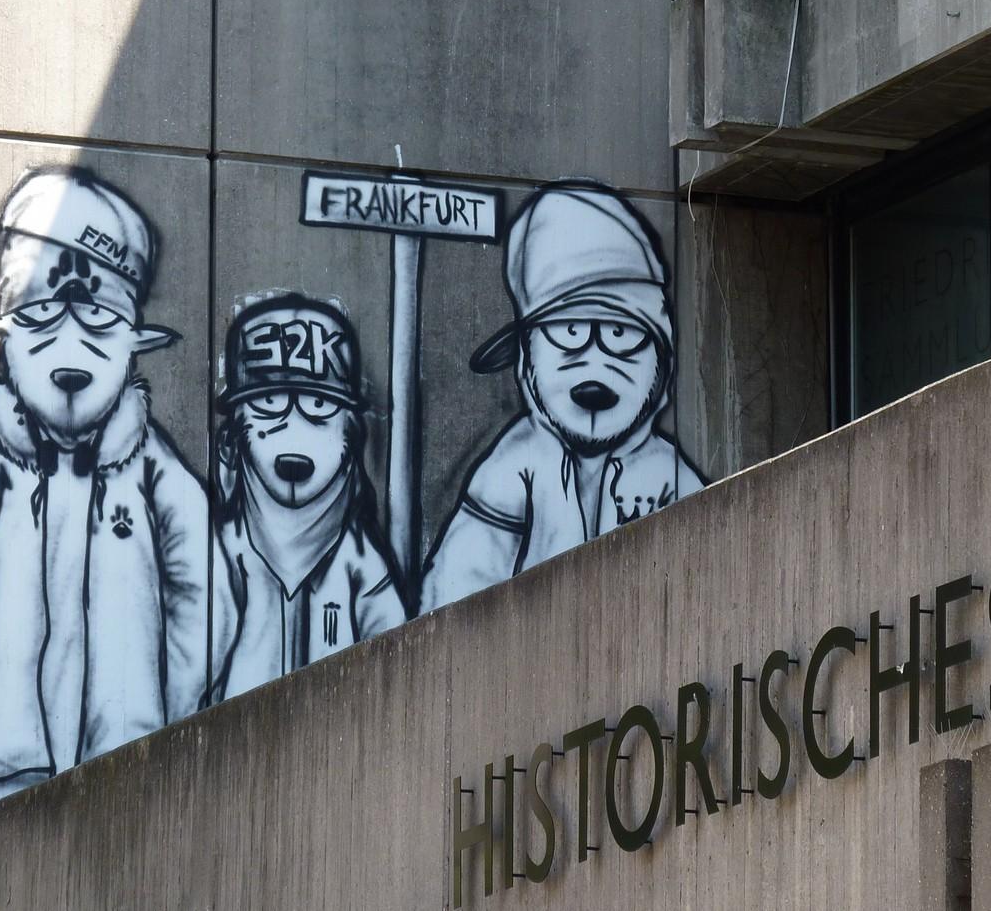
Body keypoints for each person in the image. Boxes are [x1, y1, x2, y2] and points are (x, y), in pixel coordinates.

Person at [0, 167, 231, 815]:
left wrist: (164, 715)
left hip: (129, 777)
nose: (68, 342)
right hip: (2, 781)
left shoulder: (153, 471)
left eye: (98, 319)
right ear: (8, 336)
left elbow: (207, 596)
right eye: (40, 316)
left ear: (132, 342)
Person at [422, 180, 705, 611]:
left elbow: (715, 584)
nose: (595, 359)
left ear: (659, 358)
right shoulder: (515, 465)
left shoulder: (667, 474)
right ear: (527, 356)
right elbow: (453, 593)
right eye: (569, 331)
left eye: (620, 332)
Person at [214, 293, 407, 696]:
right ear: (235, 432)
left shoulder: (358, 559)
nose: (293, 429)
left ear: (350, 430)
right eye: (270, 403)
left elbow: (399, 669)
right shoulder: (226, 551)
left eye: (318, 405)